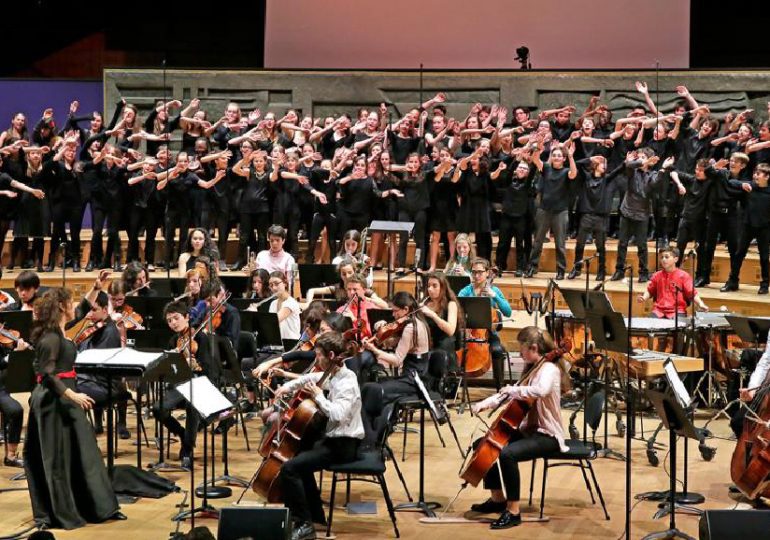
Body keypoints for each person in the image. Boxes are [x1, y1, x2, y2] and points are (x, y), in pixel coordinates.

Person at [24, 288, 125, 529]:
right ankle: (62, 511)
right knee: (57, 459)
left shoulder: (60, 329)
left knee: (84, 453)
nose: (76, 307)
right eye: (71, 302)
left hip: (67, 398)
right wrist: (73, 395)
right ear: (61, 307)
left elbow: (82, 311)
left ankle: (98, 507)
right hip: (53, 401)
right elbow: (46, 374)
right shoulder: (50, 338)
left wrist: (96, 287)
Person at [469, 326, 569, 530]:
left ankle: (513, 511)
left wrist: (514, 389)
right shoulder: (533, 368)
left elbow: (540, 390)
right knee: (484, 444)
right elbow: (507, 394)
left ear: (533, 348)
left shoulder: (549, 369)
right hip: (529, 431)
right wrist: (484, 403)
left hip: (547, 435)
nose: (519, 352)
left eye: (521, 348)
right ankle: (498, 499)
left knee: (507, 455)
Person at [274, 332, 364, 540]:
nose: (317, 360)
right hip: (332, 440)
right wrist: (286, 387)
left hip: (344, 445)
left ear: (331, 354)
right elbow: (310, 378)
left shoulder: (347, 383)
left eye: (319, 356)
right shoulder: (333, 374)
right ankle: (315, 516)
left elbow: (338, 415)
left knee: (289, 469)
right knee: (300, 459)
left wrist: (319, 397)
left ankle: (304, 525)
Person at [153, 300, 217, 468]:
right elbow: (168, 371)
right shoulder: (174, 340)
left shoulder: (201, 338)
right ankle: (182, 433)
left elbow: (209, 370)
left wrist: (195, 364)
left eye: (176, 318)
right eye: (169, 320)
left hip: (200, 385)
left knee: (192, 404)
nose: (173, 323)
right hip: (179, 385)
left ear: (187, 317)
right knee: (158, 408)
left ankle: (187, 448)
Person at [610, 150, 673, 283]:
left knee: (642, 245)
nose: (641, 160)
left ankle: (643, 272)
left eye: (644, 157)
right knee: (622, 243)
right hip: (627, 211)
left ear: (650, 161)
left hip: (642, 213)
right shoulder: (632, 171)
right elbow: (628, 165)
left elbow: (655, 184)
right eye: (639, 158)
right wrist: (642, 161)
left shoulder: (653, 174)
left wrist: (663, 168)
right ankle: (619, 270)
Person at [364, 291, 432, 406]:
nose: (393, 315)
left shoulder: (411, 328)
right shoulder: (417, 322)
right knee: (372, 387)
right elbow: (393, 343)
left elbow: (397, 360)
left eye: (395, 311)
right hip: (416, 376)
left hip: (415, 381)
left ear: (406, 309)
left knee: (374, 391)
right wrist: (381, 331)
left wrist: (374, 350)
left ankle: (380, 422)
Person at [525, 141, 578, 279]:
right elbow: (536, 159)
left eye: (559, 156)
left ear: (563, 159)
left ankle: (560, 270)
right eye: (554, 155)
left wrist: (571, 156)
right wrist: (539, 147)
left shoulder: (566, 171)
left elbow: (574, 173)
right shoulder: (547, 168)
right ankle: (532, 267)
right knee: (537, 241)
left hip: (560, 212)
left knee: (560, 244)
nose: (556, 157)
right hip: (544, 210)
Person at [457, 258, 512, 390]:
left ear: (487, 273)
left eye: (480, 272)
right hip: (467, 332)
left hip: (487, 335)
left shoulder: (495, 290)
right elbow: (457, 310)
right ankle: (452, 387)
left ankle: (500, 388)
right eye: (474, 272)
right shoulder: (465, 291)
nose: (476, 276)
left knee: (497, 350)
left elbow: (508, 312)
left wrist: (495, 296)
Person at [720, 163, 770, 295]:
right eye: (754, 173)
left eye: (758, 174)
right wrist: (742, 185)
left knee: (764, 257)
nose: (755, 176)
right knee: (739, 255)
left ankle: (765, 284)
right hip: (747, 226)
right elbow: (731, 182)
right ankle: (732, 281)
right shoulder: (750, 187)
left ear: (767, 177)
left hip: (764, 228)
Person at [637, 247, 709, 319]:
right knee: (650, 327)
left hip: (677, 311)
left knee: (676, 327)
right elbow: (650, 291)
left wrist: (700, 303)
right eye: (662, 257)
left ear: (676, 259)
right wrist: (644, 297)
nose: (663, 259)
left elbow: (692, 293)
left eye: (667, 257)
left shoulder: (684, 276)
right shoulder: (657, 275)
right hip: (659, 311)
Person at [421, 272, 461, 372]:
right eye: (429, 286)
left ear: (442, 288)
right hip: (428, 341)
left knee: (439, 352)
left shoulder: (451, 304)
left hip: (444, 343)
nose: (430, 289)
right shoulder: (425, 303)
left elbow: (450, 330)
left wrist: (433, 315)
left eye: (434, 286)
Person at [268, 271, 301, 340]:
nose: (274, 288)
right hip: (277, 344)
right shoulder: (273, 303)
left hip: (291, 344)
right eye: (271, 285)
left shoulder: (291, 302)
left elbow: (273, 321)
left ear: (285, 283)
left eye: (276, 284)